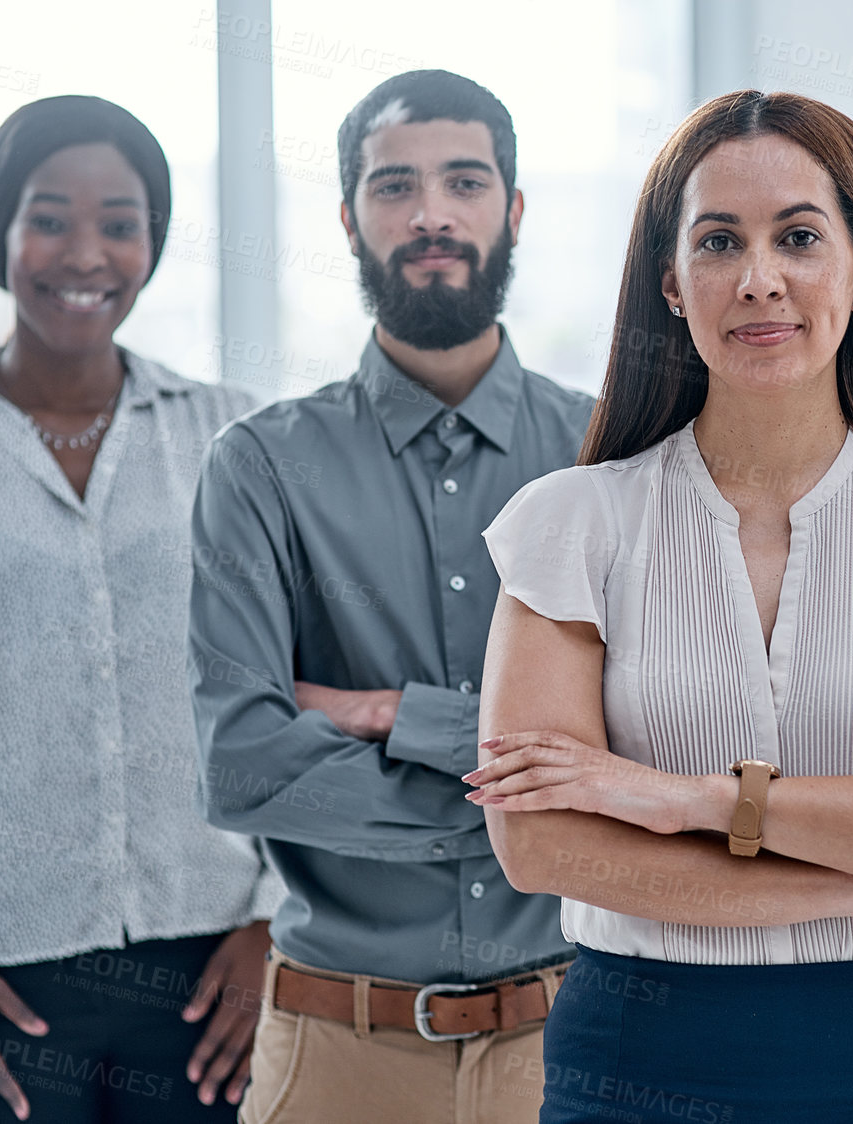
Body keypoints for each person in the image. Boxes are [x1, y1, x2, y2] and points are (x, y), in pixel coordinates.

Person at [463, 89, 853, 1124]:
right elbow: (543, 845)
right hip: (637, 1047)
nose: (758, 280)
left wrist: (685, 798)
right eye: (716, 241)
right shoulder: (569, 525)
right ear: (670, 280)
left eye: (798, 236)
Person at [0, 95, 276, 1124]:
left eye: (119, 220)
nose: (86, 251)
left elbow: (290, 693)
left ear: (152, 240)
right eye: (50, 216)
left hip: (212, 982)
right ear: (0, 231)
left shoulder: (229, 437)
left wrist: (271, 920)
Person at [188, 70, 593, 1124]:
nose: (430, 215)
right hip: (331, 1053)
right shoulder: (260, 469)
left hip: (573, 1040)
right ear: (348, 218)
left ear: (512, 208)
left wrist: (384, 714)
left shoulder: (609, 458)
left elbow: (648, 742)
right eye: (392, 186)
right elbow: (241, 767)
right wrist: (535, 790)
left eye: (464, 181)